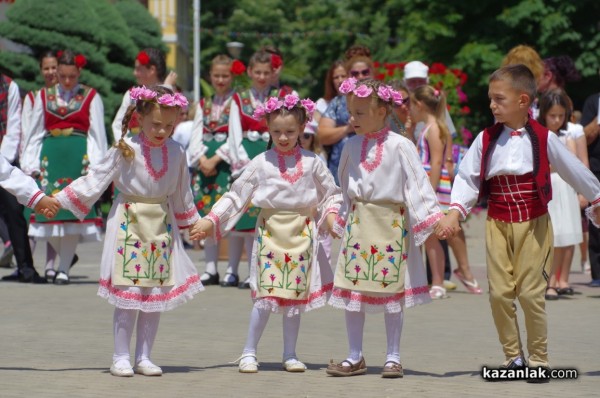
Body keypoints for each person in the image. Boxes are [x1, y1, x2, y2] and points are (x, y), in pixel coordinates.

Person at [437, 64, 600, 381]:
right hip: (497, 223)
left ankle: (539, 359)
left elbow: (573, 169)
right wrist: (454, 212)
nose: (492, 105)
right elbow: (467, 179)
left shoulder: (543, 138)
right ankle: (513, 357)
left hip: (534, 224)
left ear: (523, 100)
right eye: (490, 99)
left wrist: (596, 198)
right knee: (499, 294)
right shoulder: (486, 139)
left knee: (529, 294)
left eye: (499, 99)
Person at [54, 85, 204, 377]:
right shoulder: (125, 149)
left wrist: (192, 226)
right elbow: (94, 181)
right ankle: (120, 356)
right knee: (131, 290)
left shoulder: (177, 152)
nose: (162, 131)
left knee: (154, 293)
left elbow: (183, 194)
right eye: (156, 125)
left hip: (161, 224)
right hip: (129, 222)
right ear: (139, 119)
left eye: (169, 126)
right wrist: (58, 200)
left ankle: (145, 356)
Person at [190, 95, 341, 373]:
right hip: (270, 233)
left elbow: (332, 194)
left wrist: (331, 217)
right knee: (266, 295)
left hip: (301, 235)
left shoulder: (313, 162)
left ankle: (290, 353)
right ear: (268, 129)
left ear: (303, 128)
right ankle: (249, 351)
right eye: (277, 132)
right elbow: (236, 195)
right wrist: (211, 219)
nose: (283, 137)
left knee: (294, 296)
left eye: (290, 132)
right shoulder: (261, 162)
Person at [325, 78, 443, 378]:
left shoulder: (401, 145)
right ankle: (354, 355)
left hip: (391, 224)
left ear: (382, 112)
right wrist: (338, 218)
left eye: (360, 112)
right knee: (353, 290)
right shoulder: (350, 144)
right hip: (360, 223)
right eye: (352, 112)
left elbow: (417, 185)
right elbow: (343, 185)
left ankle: (393, 357)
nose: (353, 118)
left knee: (392, 291)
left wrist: (433, 219)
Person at [21, 50, 108, 285]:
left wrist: (96, 166)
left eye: (72, 76)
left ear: (79, 72)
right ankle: (63, 264)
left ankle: (63, 269)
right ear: (57, 72)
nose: (67, 81)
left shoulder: (91, 96)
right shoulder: (43, 96)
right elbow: (35, 132)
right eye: (62, 76)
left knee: (71, 214)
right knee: (49, 214)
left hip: (78, 159)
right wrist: (30, 163)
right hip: (50, 158)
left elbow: (97, 133)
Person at [228, 49, 292, 289]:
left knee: (270, 215)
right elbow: (234, 132)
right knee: (245, 220)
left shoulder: (282, 94)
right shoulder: (240, 97)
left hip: (273, 154)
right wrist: (242, 163)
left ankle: (264, 268)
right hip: (247, 157)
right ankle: (242, 271)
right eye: (258, 72)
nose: (262, 76)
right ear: (249, 72)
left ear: (272, 71)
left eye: (266, 72)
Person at [21, 51, 76, 281]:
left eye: (55, 68)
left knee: (60, 210)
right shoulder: (35, 97)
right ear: (41, 71)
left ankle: (53, 264)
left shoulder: (74, 96)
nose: (51, 73)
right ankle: (35, 261)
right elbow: (29, 130)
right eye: (47, 68)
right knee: (38, 212)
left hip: (65, 159)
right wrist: (28, 162)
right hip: (41, 158)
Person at [187, 55, 240, 286]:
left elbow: (235, 135)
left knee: (229, 215)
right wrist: (200, 158)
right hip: (205, 162)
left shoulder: (237, 102)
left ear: (232, 76)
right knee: (207, 214)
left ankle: (232, 269)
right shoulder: (203, 104)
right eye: (216, 75)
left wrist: (217, 158)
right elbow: (196, 133)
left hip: (225, 163)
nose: (220, 79)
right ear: (210, 76)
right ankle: (210, 268)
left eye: (225, 75)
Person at [0, 73, 49, 283]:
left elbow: (12, 130)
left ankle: (26, 268)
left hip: (5, 158)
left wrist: (4, 162)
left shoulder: (8, 86)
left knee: (14, 212)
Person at [537, 89, 582, 299]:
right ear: (544, 113)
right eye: (552, 115)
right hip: (550, 190)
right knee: (553, 238)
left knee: (567, 235)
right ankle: (550, 281)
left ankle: (561, 279)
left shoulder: (567, 137)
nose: (556, 120)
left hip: (566, 189)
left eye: (561, 116)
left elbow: (573, 164)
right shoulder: (539, 135)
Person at [318, 46, 373, 183]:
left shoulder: (384, 99)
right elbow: (322, 135)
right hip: (342, 171)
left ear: (372, 72)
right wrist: (347, 129)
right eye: (355, 74)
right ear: (349, 76)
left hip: (375, 164)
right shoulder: (337, 103)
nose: (360, 76)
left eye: (365, 72)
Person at [111, 48, 176, 139]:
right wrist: (126, 147)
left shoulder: (171, 93)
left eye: (138, 69)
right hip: (135, 149)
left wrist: (167, 87)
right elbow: (118, 125)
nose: (134, 73)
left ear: (152, 70)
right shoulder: (132, 94)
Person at [582, 79, 600, 286]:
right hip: (597, 167)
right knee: (596, 221)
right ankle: (597, 273)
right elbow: (583, 137)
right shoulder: (593, 102)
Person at [313, 60, 347, 125]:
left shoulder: (357, 101)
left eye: (343, 76)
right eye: (336, 77)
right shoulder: (322, 104)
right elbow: (314, 131)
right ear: (331, 81)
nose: (340, 80)